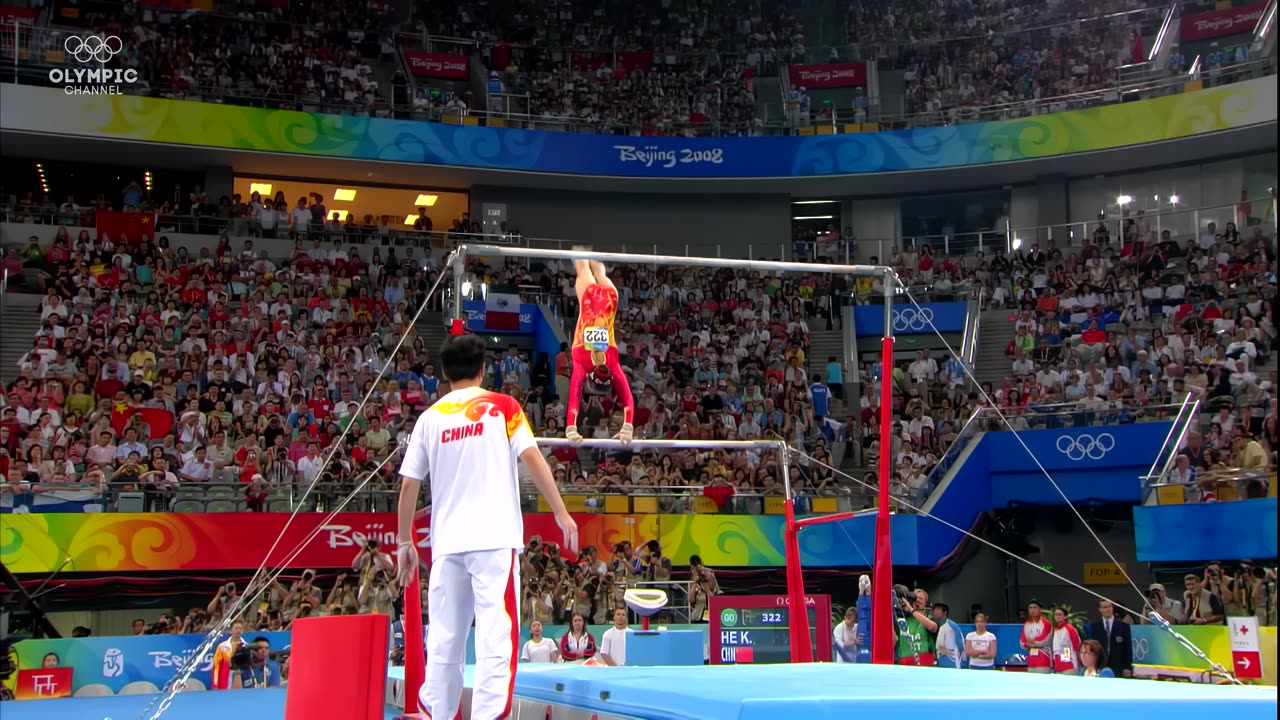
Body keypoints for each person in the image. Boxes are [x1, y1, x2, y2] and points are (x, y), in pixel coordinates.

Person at [396, 334, 579, 720]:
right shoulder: (503, 407)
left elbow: (409, 483)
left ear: (444, 374)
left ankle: (437, 714)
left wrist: (402, 542)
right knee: (495, 638)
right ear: (484, 370)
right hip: (494, 541)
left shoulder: (430, 419)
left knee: (445, 640)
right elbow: (533, 459)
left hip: (447, 544)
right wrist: (561, 512)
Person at [564, 249, 633, 444]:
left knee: (594, 270)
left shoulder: (606, 364)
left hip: (604, 300)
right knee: (585, 266)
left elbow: (574, 399)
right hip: (596, 300)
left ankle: (585, 248)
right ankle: (582, 247)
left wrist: (571, 428)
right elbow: (627, 399)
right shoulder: (586, 365)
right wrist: (627, 427)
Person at [1087, 599, 1132, 678]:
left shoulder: (1123, 626)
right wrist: (1091, 666)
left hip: (1119, 667)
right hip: (1100, 666)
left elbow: (1128, 648)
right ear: (1100, 610)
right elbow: (1092, 649)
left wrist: (1127, 667)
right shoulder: (1095, 627)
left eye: (1109, 606)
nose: (1108, 609)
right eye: (1104, 607)